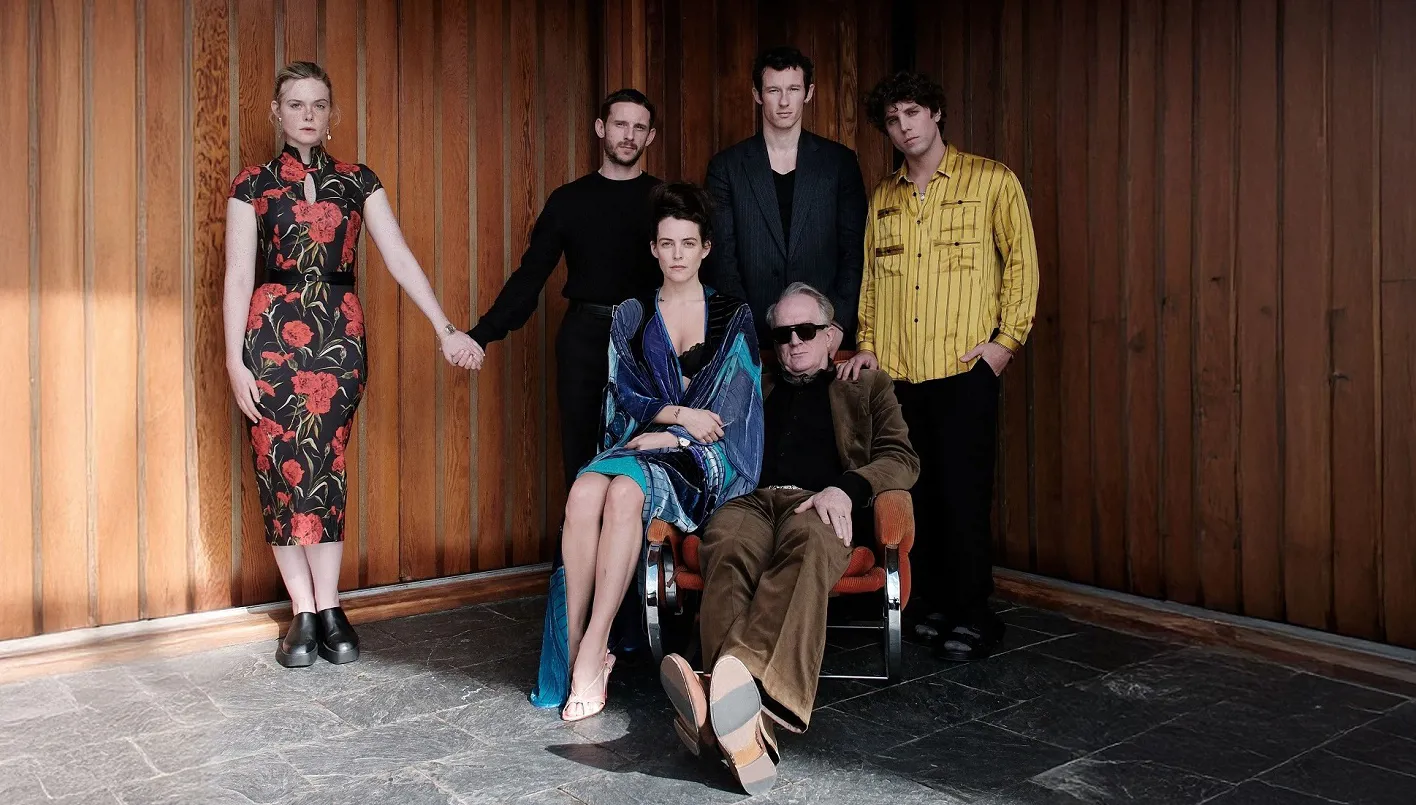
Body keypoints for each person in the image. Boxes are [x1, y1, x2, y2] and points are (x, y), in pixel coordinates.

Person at [224, 61, 480, 668]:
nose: (308, 114)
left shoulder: (358, 181)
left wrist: (445, 328)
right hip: (270, 339)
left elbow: (398, 256)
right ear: (277, 112)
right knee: (279, 469)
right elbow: (236, 275)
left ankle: (331, 605)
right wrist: (235, 361)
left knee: (326, 466)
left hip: (340, 338)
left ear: (331, 114)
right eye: (295, 104)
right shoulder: (252, 183)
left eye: (318, 104)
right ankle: (303, 612)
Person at [658, 283, 918, 795]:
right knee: (726, 544)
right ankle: (748, 725)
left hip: (821, 500)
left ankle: (716, 700)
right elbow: (697, 404)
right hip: (751, 501)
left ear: (831, 335)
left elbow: (902, 458)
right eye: (783, 334)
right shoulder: (750, 380)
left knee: (809, 546)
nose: (795, 342)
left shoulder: (866, 384)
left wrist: (847, 489)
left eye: (807, 331)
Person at [530, 182, 764, 722]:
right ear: (654, 249)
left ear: (706, 248)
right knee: (584, 491)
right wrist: (677, 417)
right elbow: (625, 396)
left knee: (624, 493)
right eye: (668, 244)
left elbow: (736, 413)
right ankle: (576, 650)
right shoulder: (632, 313)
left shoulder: (733, 315)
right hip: (641, 441)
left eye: (688, 243)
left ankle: (594, 648)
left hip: (706, 459)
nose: (678, 255)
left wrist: (676, 435)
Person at [840, 71, 1040, 662]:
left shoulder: (992, 181)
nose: (904, 128)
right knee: (915, 493)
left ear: (936, 113)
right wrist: (867, 342)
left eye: (912, 113)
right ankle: (928, 604)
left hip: (963, 371)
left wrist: (1005, 343)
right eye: (893, 120)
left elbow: (1022, 265)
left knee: (964, 495)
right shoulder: (884, 197)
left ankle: (975, 614)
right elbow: (872, 282)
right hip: (900, 375)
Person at [468, 89, 664, 490]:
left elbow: (694, 272)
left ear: (651, 136)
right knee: (581, 452)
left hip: (648, 336)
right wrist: (482, 333)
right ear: (601, 128)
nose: (629, 135)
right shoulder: (569, 200)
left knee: (645, 450)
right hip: (584, 338)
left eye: (638, 127)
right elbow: (531, 275)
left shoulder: (666, 200)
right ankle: (577, 532)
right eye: (620, 124)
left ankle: (634, 532)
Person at [703, 46, 866, 349]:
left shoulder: (839, 162)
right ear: (757, 94)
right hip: (751, 337)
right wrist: (743, 331)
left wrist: (837, 324)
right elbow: (722, 258)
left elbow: (854, 250)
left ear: (809, 92)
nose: (783, 101)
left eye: (793, 89)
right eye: (773, 90)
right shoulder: (726, 167)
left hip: (823, 336)